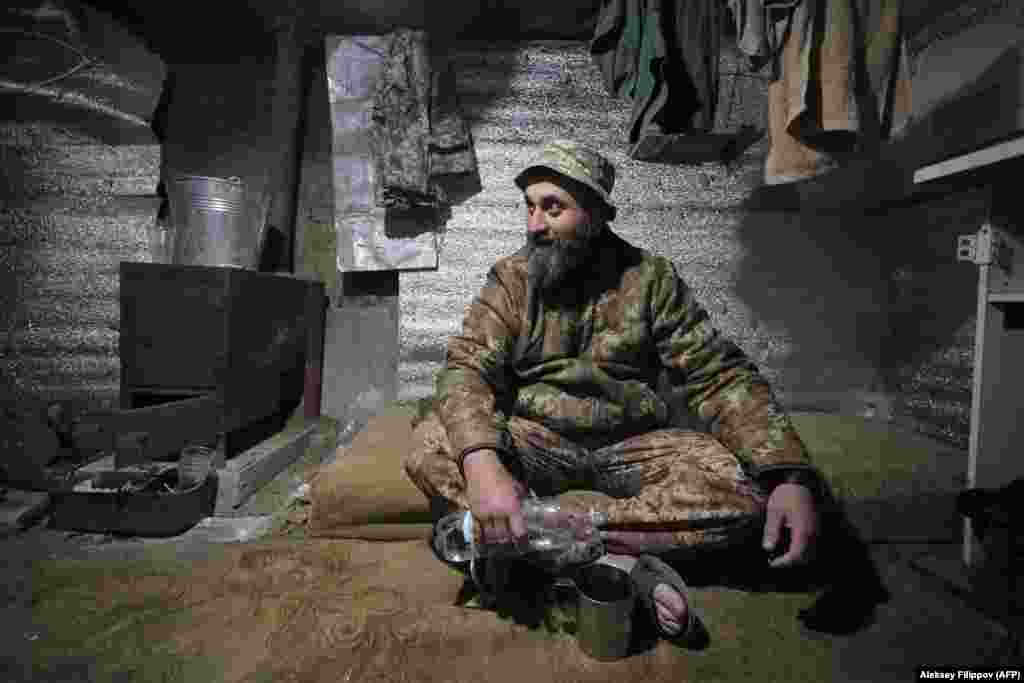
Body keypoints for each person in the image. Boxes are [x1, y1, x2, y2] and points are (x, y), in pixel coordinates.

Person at [405, 140, 825, 642]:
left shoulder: (653, 280)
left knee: (748, 494)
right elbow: (466, 369)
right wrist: (483, 464)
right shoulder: (512, 278)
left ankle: (536, 550)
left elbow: (719, 374)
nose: (534, 224)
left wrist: (788, 473)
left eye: (553, 207)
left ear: (598, 213)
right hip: (538, 441)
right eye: (530, 206)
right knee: (430, 442)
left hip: (631, 445)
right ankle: (615, 562)